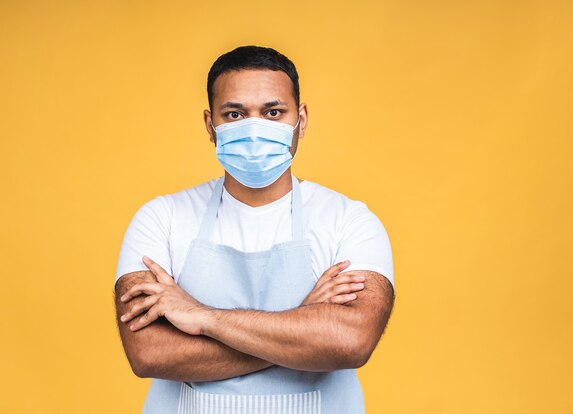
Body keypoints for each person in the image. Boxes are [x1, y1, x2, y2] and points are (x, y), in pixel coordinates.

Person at [114, 45, 395, 414]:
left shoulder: (349, 220)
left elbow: (349, 342)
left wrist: (203, 317)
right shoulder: (161, 218)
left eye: (273, 112)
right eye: (234, 114)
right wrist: (302, 326)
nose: (254, 128)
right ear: (210, 125)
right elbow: (149, 353)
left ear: (302, 119)